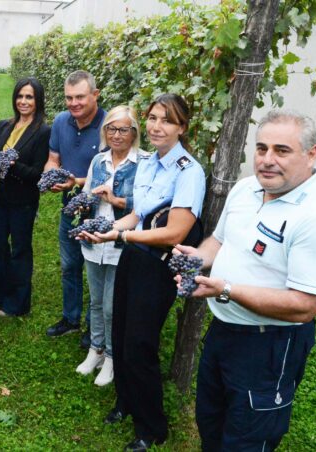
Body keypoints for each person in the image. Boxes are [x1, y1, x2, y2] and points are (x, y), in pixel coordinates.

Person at [174, 110, 316, 451]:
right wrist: (197, 258)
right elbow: (219, 241)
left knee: (248, 439)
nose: (267, 160)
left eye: (282, 150)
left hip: (269, 345)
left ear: (311, 154)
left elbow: (304, 307)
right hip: (223, 331)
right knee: (211, 421)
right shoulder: (245, 189)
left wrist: (225, 289)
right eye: (261, 148)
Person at [80, 93, 206, 451]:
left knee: (141, 342)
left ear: (182, 127)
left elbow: (175, 232)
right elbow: (137, 213)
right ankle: (126, 402)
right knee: (120, 331)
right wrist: (110, 229)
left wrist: (120, 234)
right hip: (133, 255)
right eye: (152, 118)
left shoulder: (189, 172)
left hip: (159, 264)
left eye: (166, 120)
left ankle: (151, 427)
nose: (156, 126)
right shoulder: (149, 163)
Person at [75, 106, 143, 386]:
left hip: (120, 244)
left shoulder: (144, 165)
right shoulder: (98, 162)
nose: (116, 135)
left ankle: (113, 358)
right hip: (94, 242)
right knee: (95, 301)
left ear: (134, 133)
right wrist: (82, 206)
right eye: (111, 129)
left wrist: (116, 200)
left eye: (123, 129)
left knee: (112, 305)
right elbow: (85, 194)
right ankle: (96, 350)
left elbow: (146, 208)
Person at [44, 70, 106, 347]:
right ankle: (71, 319)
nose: (74, 103)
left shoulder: (109, 126)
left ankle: (94, 328)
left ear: (95, 95)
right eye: (69, 98)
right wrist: (51, 175)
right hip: (71, 207)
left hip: (100, 212)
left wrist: (76, 182)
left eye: (80, 97)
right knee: (70, 266)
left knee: (97, 271)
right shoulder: (60, 122)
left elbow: (112, 176)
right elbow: (53, 158)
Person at [0, 77, 50, 316]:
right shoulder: (4, 125)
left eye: (29, 97)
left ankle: (17, 304)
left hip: (23, 202)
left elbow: (36, 174)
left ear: (38, 100)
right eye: (20, 96)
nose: (23, 101)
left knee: (20, 251)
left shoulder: (43, 132)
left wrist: (12, 164)